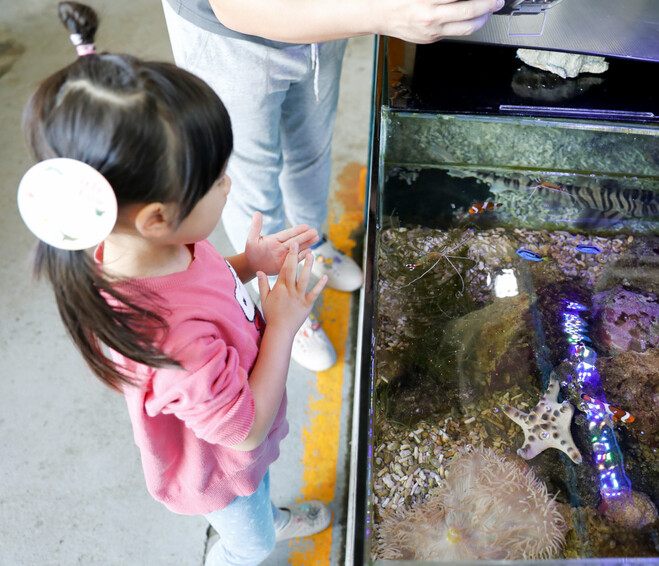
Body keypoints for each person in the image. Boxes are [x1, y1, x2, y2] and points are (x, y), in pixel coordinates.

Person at [19, 3, 331, 565]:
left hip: (234, 446)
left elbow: (201, 287)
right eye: (214, 180)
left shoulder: (145, 246)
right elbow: (245, 432)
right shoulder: (171, 342)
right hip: (218, 472)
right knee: (249, 539)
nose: (229, 183)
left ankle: (267, 516)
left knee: (257, 500)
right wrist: (283, 325)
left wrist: (244, 263)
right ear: (157, 216)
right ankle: (244, 544)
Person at [160, 0, 504, 371]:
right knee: (250, 173)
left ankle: (312, 242)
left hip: (323, 28)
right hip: (231, 39)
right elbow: (234, 8)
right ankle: (277, 293)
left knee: (312, 148)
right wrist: (386, 15)